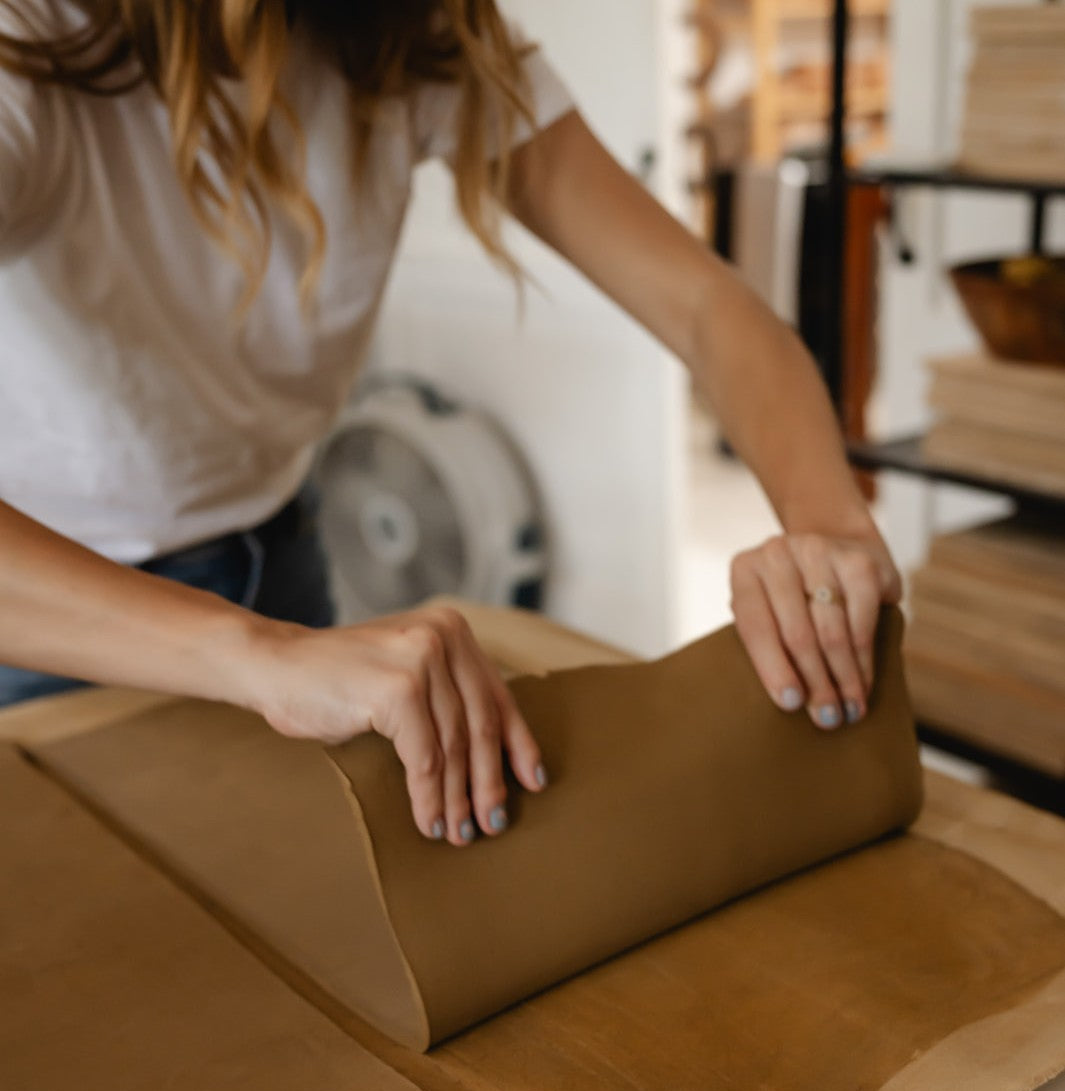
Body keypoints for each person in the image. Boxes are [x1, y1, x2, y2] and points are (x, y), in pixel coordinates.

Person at [0, 0, 902, 848]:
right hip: (52, 613)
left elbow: (707, 306)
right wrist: (261, 657)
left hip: (282, 559)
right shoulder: (29, 42)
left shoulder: (409, 28)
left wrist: (828, 524)